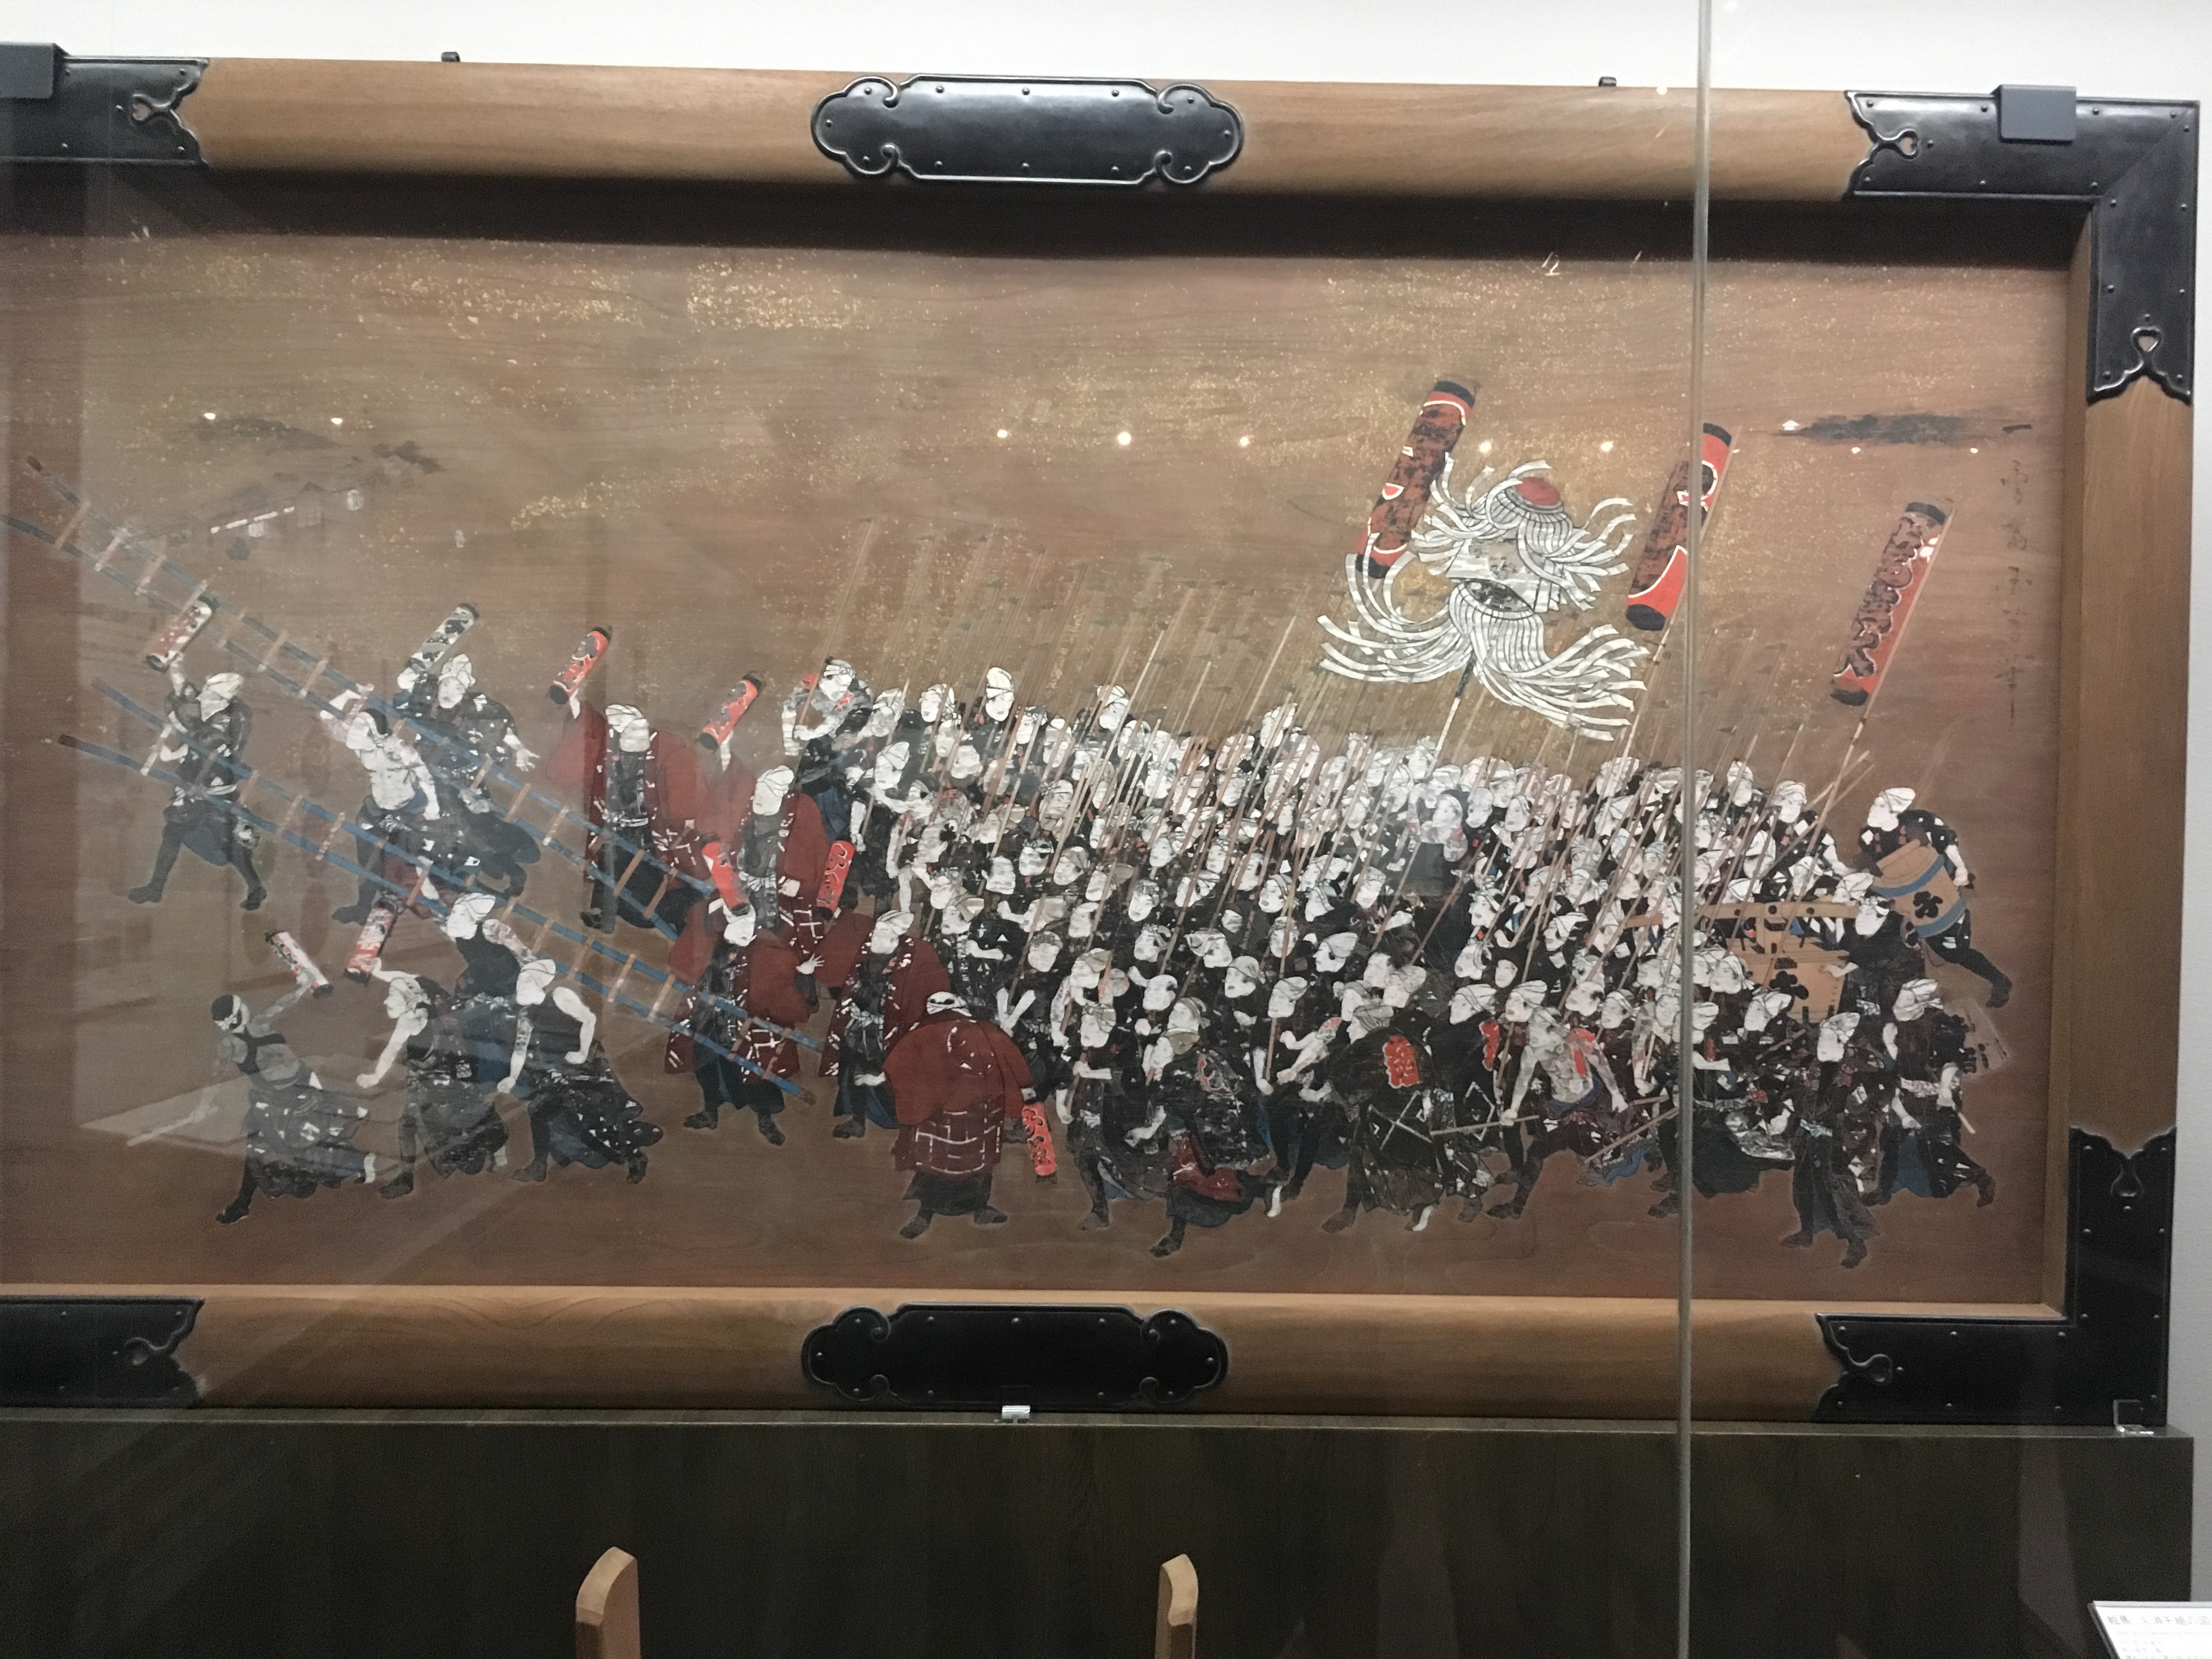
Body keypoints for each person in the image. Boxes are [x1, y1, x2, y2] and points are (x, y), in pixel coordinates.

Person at [210, 983, 373, 1222]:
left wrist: (304, 987)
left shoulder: (241, 1036)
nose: (246, 1006)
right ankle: (354, 1161)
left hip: (290, 1095)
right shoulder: (250, 1031)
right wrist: (303, 988)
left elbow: (215, 1076)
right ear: (238, 1014)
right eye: (242, 1005)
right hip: (285, 1097)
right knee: (278, 1146)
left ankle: (355, 1162)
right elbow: (281, 1006)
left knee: (294, 1145)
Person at [884, 990, 1031, 1237]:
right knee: (937, 1161)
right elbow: (900, 1063)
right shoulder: (927, 1033)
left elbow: (1010, 1058)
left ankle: (978, 1208)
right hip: (948, 1111)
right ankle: (926, 1213)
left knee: (974, 1162)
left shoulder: (979, 1031)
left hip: (978, 1110)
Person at [503, 956, 663, 1182]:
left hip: (586, 1066)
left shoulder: (560, 996)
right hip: (558, 1072)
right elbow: (520, 1048)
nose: (521, 986)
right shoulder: (527, 1014)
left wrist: (582, 1052)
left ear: (538, 981)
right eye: (520, 982)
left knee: (602, 1115)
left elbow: (589, 1019)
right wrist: (512, 1077)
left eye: (526, 981)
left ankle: (634, 1157)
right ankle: (539, 1166)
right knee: (540, 1112)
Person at [357, 968, 507, 1196]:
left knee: (411, 1124)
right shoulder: (431, 1000)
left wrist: (375, 1077)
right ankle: (498, 1151)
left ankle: (408, 1177)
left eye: (393, 996)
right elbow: (411, 978)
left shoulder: (410, 1020)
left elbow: (392, 1049)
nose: (387, 1001)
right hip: (456, 1071)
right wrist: (379, 972)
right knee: (474, 1109)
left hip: (437, 1080)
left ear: (408, 999)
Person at [681, 899, 817, 1144]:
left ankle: (765, 1120)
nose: (747, 930)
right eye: (740, 924)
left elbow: (778, 973)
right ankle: (710, 1111)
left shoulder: (762, 947)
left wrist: (799, 973)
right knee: (707, 1065)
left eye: (750, 924)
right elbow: (694, 969)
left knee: (754, 1072)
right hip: (711, 1018)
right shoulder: (713, 943)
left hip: (746, 1022)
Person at [129, 669, 266, 909]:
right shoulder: (207, 716)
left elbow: (208, 743)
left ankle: (256, 887)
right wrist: (171, 755)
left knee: (227, 842)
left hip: (216, 786)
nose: (203, 699)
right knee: (173, 833)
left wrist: (189, 764)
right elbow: (194, 743)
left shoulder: (232, 718)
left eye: (210, 695)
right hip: (193, 785)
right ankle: (155, 888)